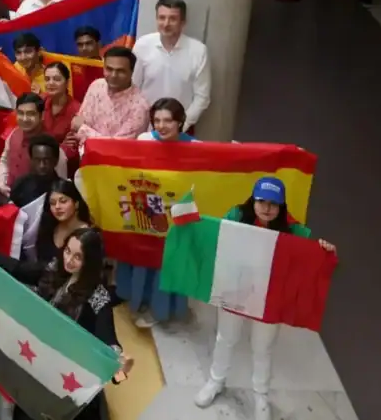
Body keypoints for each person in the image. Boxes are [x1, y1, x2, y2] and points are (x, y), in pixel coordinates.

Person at [195, 177, 337, 420]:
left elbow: (311, 251)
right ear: (254, 199)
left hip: (270, 296)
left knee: (263, 348)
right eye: (262, 201)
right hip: (235, 289)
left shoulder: (292, 229)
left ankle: (261, 395)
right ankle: (215, 381)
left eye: (274, 203)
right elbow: (215, 235)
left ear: (282, 206)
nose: (267, 208)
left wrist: (325, 249)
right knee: (225, 338)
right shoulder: (237, 215)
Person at [10, 228, 132, 420]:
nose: (68, 260)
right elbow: (16, 268)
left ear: (89, 262)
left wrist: (120, 367)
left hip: (69, 376)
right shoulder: (53, 269)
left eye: (77, 257)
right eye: (67, 251)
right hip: (38, 361)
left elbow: (108, 341)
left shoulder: (97, 296)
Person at [117, 98, 197, 329]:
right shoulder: (143, 140)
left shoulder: (196, 147)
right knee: (143, 259)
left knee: (166, 264)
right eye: (157, 121)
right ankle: (138, 299)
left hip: (177, 214)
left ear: (180, 121)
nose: (161, 126)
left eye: (168, 121)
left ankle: (160, 309)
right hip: (146, 208)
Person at [131, 0, 210, 129]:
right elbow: (133, 87)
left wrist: (182, 124)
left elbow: (202, 97)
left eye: (172, 19)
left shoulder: (198, 51)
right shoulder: (142, 45)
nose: (166, 24)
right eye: (162, 18)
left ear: (183, 22)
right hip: (144, 126)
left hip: (180, 130)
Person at [74, 47, 151, 147]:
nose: (114, 75)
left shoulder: (140, 106)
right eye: (109, 69)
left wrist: (83, 129)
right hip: (85, 156)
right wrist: (82, 128)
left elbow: (118, 146)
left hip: (116, 161)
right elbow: (80, 121)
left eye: (120, 71)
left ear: (131, 72)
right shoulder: (96, 86)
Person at [9, 134, 64, 208]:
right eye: (37, 160)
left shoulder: (63, 188)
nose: (42, 165)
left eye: (46, 160)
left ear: (56, 160)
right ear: (31, 160)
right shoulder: (20, 185)